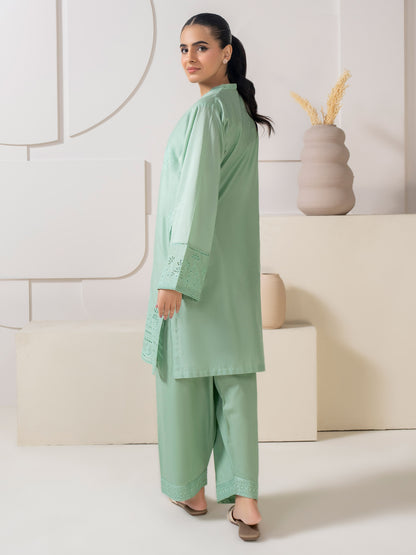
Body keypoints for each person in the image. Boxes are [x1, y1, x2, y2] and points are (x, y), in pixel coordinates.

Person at [141, 12, 275, 541]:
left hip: (194, 275)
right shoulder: (239, 111)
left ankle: (192, 490)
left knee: (185, 379)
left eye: (200, 47)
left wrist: (175, 277)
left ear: (226, 51)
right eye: (182, 49)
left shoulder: (206, 114)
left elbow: (194, 200)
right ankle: (246, 501)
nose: (189, 58)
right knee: (234, 381)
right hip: (233, 276)